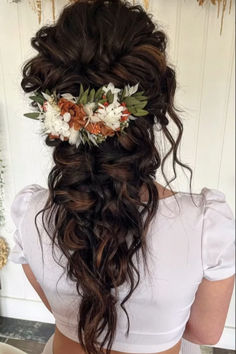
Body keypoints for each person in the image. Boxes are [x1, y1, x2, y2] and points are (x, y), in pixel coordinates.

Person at [7, 0, 235, 354]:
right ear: (153, 110)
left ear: (55, 114)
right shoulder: (206, 226)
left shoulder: (29, 212)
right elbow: (205, 333)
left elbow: (61, 311)